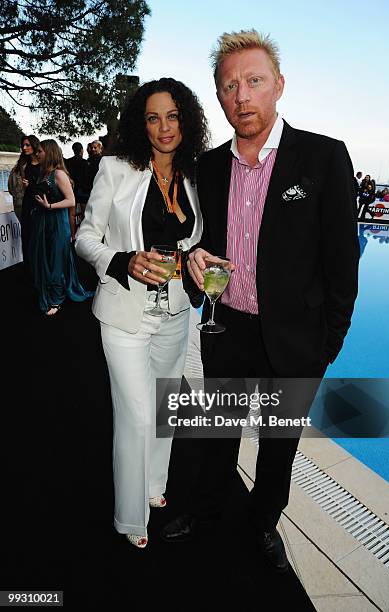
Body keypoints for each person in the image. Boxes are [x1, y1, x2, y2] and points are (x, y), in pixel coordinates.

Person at [162, 30, 359, 571]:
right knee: (215, 436)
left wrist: (326, 348)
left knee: (278, 447)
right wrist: (195, 257)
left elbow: (344, 265)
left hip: (294, 340)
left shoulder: (323, 158)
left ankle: (262, 524)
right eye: (229, 86)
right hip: (228, 329)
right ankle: (202, 513)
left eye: (253, 81)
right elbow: (197, 238)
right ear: (220, 97)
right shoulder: (208, 166)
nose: (241, 95)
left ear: (278, 87)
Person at [75, 78, 209, 548]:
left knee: (161, 411)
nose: (164, 126)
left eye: (173, 116)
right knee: (133, 416)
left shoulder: (193, 175)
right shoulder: (115, 167)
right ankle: (130, 518)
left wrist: (199, 259)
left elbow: (192, 241)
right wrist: (123, 260)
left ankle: (154, 487)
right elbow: (85, 237)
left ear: (186, 120)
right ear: (140, 123)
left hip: (174, 312)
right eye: (153, 117)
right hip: (124, 314)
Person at [29, 139, 93, 315]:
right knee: (45, 257)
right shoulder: (43, 174)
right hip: (43, 221)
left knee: (57, 259)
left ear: (49, 152)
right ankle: (49, 292)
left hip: (57, 221)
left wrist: (49, 206)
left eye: (40, 151)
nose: (37, 154)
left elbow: (71, 200)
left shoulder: (58, 174)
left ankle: (56, 301)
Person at [18, 135, 41, 264]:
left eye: (27, 145)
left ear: (34, 145)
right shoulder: (23, 163)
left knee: (37, 236)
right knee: (26, 234)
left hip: (40, 203)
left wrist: (30, 185)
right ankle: (29, 265)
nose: (24, 147)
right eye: (23, 145)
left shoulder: (43, 163)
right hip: (28, 202)